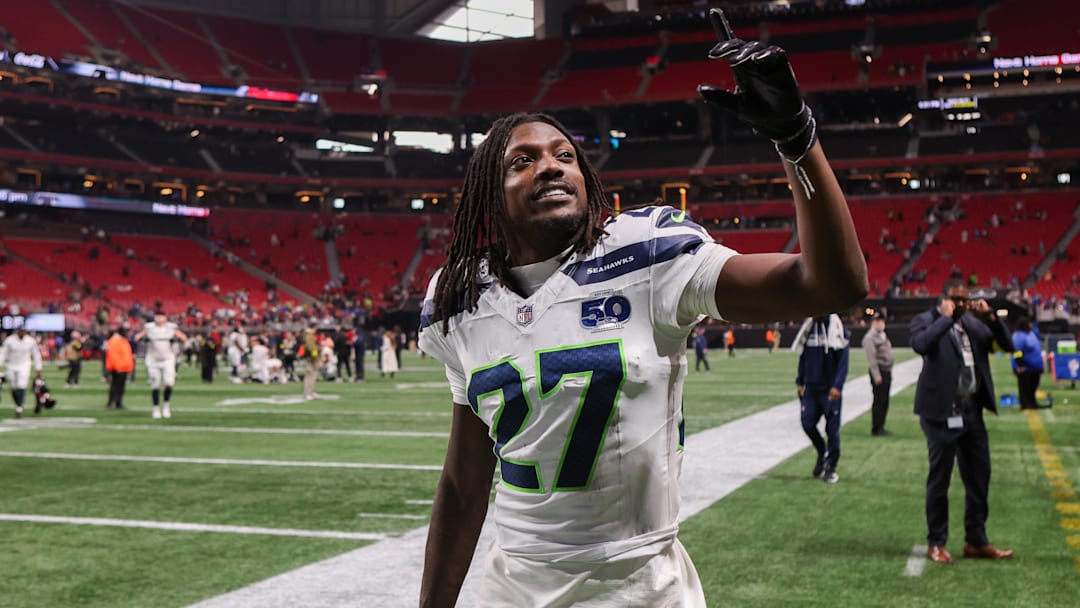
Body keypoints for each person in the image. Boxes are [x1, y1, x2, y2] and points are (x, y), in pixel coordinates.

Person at [416, 9, 867, 605]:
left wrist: (796, 137)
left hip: (639, 587)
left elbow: (831, 286)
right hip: (513, 590)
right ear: (488, 197)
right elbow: (464, 482)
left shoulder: (646, 252)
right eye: (522, 161)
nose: (550, 165)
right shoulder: (459, 298)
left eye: (564, 155)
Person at [910, 279, 1015, 565]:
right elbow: (920, 344)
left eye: (964, 300)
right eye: (956, 300)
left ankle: (976, 540)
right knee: (940, 479)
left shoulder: (972, 324)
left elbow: (1007, 345)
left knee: (980, 477)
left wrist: (990, 317)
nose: (961, 305)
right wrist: (945, 319)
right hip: (941, 412)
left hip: (971, 411)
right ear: (944, 299)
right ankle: (936, 541)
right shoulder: (926, 320)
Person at [792, 314, 849, 483]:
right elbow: (803, 356)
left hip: (829, 390)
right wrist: (800, 381)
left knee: (832, 430)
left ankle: (831, 467)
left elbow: (843, 360)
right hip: (811, 388)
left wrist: (837, 385)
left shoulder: (838, 328)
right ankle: (821, 450)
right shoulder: (808, 328)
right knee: (807, 423)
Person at [134, 313, 188, 419]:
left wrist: (176, 339)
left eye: (161, 316)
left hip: (167, 359)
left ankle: (166, 405)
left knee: (169, 383)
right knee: (155, 385)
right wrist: (143, 337)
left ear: (165, 318)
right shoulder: (149, 328)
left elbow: (184, 337)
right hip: (153, 360)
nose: (158, 318)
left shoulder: (171, 328)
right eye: (157, 316)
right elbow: (137, 338)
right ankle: (156, 408)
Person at [862, 312, 895, 436]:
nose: (880, 323)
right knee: (879, 400)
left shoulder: (882, 335)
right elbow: (872, 359)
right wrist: (876, 375)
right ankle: (876, 428)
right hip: (879, 372)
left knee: (885, 400)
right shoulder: (870, 338)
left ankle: (881, 426)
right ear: (873, 322)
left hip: (886, 371)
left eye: (881, 320)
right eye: (877, 321)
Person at [0, 327, 44, 419]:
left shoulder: (30, 341)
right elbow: (2, 353)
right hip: (11, 365)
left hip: (24, 365)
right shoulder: (10, 340)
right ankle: (18, 404)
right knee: (13, 387)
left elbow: (36, 354)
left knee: (21, 385)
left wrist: (38, 368)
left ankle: (19, 408)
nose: (22, 333)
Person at [1010, 316, 1044, 409]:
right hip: (1025, 367)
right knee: (1025, 387)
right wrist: (1020, 365)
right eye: (1029, 323)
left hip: (1035, 367)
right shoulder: (1018, 336)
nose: (1031, 325)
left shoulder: (1031, 333)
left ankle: (1033, 403)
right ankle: (1025, 404)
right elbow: (1017, 351)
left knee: (1033, 386)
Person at [105, 327, 134, 410]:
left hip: (123, 367)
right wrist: (117, 367)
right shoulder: (115, 341)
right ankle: (112, 401)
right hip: (118, 367)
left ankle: (118, 402)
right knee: (115, 385)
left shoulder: (122, 340)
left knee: (120, 386)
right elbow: (113, 355)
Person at [300, 322, 319, 400]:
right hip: (310, 358)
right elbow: (311, 347)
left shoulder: (307, 335)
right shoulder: (309, 335)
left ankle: (310, 392)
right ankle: (308, 393)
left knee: (312, 375)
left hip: (309, 357)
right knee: (310, 375)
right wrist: (315, 356)